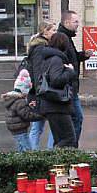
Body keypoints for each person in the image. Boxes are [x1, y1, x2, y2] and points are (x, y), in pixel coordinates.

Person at [33, 32, 78, 148]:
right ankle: (60, 163)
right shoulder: (57, 59)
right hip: (57, 105)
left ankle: (57, 163)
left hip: (51, 105)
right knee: (69, 140)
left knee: (60, 140)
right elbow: (56, 80)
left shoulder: (47, 58)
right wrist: (70, 71)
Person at [57, 11, 91, 146]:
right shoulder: (62, 38)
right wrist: (69, 73)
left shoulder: (67, 37)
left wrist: (83, 55)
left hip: (72, 87)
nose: (78, 24)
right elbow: (62, 61)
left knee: (71, 119)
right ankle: (71, 148)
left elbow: (72, 57)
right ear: (66, 23)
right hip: (69, 87)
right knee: (76, 118)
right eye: (75, 22)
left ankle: (68, 146)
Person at [26, 21, 56, 150]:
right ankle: (40, 152)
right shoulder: (40, 48)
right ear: (45, 32)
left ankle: (35, 152)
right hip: (41, 92)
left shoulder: (41, 46)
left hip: (38, 92)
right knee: (44, 125)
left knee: (38, 125)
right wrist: (39, 93)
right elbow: (38, 72)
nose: (55, 33)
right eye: (53, 30)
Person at [2, 70, 42, 152]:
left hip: (15, 128)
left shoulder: (14, 98)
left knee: (21, 148)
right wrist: (41, 115)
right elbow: (27, 115)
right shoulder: (20, 101)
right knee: (28, 150)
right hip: (20, 129)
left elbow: (20, 110)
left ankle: (19, 161)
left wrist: (28, 106)